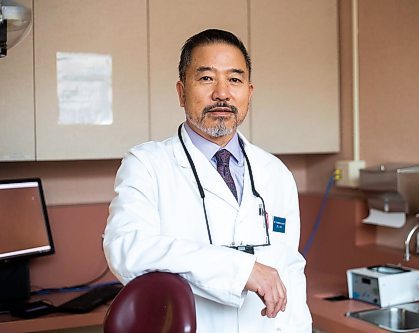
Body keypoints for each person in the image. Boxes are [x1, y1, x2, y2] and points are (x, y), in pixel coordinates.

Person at [103, 29, 312, 332]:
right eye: (206, 78)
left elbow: (290, 269)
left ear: (249, 93)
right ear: (181, 92)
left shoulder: (275, 172)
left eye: (235, 80)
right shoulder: (147, 165)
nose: (222, 93)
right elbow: (127, 249)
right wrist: (240, 271)